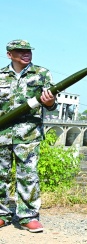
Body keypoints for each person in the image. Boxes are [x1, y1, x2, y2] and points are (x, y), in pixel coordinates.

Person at [0, 39, 56, 233]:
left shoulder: (42, 74)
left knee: (28, 175)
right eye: (21, 51)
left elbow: (52, 105)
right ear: (10, 54)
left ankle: (28, 217)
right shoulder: (0, 76)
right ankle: (2, 214)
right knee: (1, 176)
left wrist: (49, 103)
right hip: (2, 135)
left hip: (28, 134)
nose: (26, 53)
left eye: (28, 50)